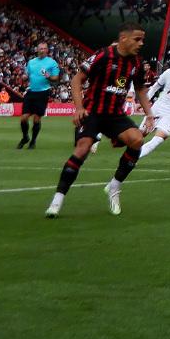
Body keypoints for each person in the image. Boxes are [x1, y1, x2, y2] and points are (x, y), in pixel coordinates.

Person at [44, 26, 154, 219]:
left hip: (114, 115)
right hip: (93, 112)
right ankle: (57, 199)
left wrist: (150, 115)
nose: (141, 44)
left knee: (137, 140)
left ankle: (114, 186)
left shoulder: (137, 62)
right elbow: (77, 80)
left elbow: (140, 89)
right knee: (82, 148)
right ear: (123, 38)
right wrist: (79, 108)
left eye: (142, 40)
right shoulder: (103, 56)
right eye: (137, 39)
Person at [16, 41, 59, 150]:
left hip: (43, 92)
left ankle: (33, 141)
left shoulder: (52, 62)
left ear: (47, 50)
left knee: (36, 118)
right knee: (24, 118)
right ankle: (25, 137)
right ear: (37, 50)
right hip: (31, 91)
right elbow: (27, 74)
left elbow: (56, 78)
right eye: (41, 48)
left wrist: (49, 76)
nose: (43, 50)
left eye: (45, 49)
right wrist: (24, 77)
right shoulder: (31, 62)